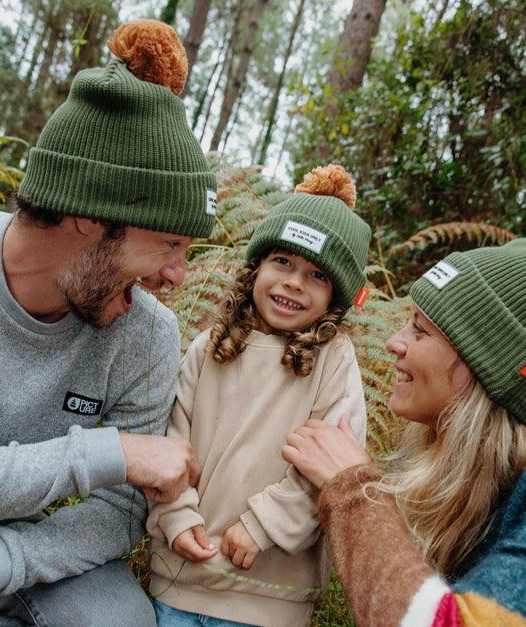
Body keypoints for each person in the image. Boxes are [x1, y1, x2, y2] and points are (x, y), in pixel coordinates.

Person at [0, 19, 217, 627]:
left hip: (29, 552)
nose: (176, 276)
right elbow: (115, 465)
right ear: (88, 215)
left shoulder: (147, 334)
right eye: (169, 243)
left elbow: (121, 509)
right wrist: (107, 451)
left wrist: (8, 559)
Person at [146, 164, 372, 627]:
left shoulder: (333, 361)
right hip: (180, 579)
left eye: (316, 275)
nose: (293, 282)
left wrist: (264, 523)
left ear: (336, 297)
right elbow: (169, 443)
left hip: (271, 596)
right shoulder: (207, 349)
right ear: (256, 268)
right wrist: (176, 516)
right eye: (282, 262)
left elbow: (334, 461)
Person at [282, 238, 526, 626]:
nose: (393, 342)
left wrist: (352, 487)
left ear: (487, 367)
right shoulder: (439, 464)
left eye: (420, 330)